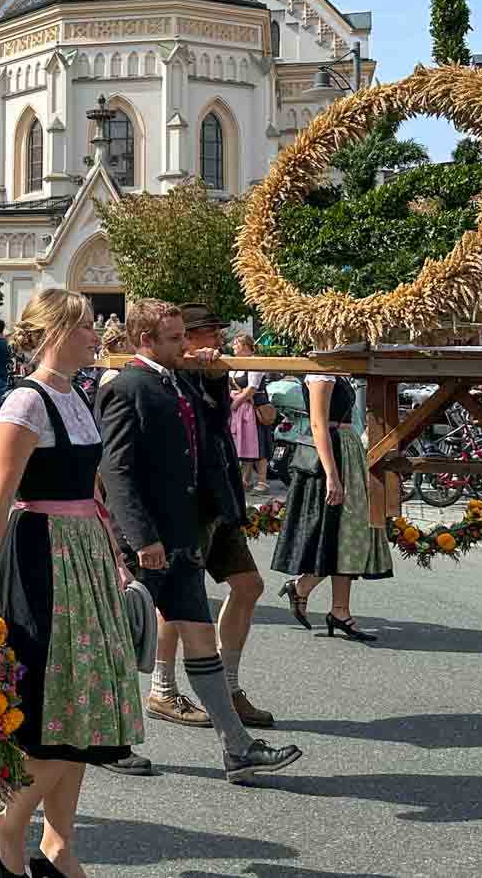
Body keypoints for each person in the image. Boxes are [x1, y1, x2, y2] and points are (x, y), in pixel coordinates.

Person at [0, 288, 143, 878]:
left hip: (85, 555)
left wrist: (114, 550)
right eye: (88, 326)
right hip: (44, 558)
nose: (98, 335)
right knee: (54, 707)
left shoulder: (78, 394)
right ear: (58, 332)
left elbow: (90, 489)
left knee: (83, 705)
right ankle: (7, 826)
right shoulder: (24, 403)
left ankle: (59, 841)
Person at [101, 299, 300, 783]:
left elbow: (213, 432)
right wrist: (141, 537)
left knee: (198, 635)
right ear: (145, 340)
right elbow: (117, 471)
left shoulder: (179, 379)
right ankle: (107, 739)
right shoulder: (126, 387)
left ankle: (237, 749)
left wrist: (212, 378)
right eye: (174, 338)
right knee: (123, 642)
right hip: (151, 539)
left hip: (186, 532)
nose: (184, 345)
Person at [184, 311, 276, 732]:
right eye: (209, 334)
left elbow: (219, 421)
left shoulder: (210, 371)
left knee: (249, 586)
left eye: (220, 334)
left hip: (218, 495)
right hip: (189, 499)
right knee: (177, 600)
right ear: (186, 338)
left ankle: (230, 686)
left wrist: (215, 374)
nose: (217, 341)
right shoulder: (171, 374)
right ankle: (163, 689)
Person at [272, 343, 393, 643]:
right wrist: (332, 476)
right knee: (335, 533)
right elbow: (317, 425)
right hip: (332, 456)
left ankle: (339, 610)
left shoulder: (335, 371)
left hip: (347, 451)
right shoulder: (320, 374)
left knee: (349, 533)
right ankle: (303, 588)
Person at [228, 333, 271, 495]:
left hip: (253, 409)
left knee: (259, 444)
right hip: (240, 410)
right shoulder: (237, 365)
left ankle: (262, 482)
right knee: (245, 444)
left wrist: (235, 403)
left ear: (245, 346)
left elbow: (252, 388)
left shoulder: (254, 362)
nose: (233, 346)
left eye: (236, 344)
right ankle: (245, 480)